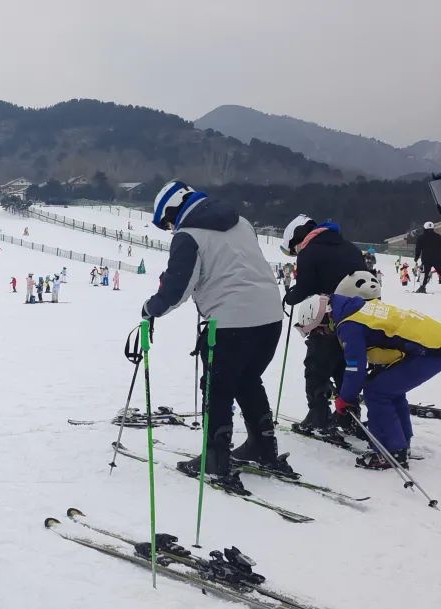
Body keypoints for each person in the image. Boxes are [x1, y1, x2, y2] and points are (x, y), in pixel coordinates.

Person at [143, 180, 290, 487]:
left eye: (168, 221)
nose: (171, 228)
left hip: (231, 323)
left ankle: (215, 457)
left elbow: (176, 289)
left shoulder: (188, 235)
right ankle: (263, 446)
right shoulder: (242, 222)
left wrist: (151, 308)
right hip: (270, 318)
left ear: (175, 209)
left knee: (217, 388)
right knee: (248, 379)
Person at [310, 273, 441, 468]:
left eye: (320, 330)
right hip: (430, 344)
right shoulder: (358, 309)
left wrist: (344, 399)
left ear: (324, 318)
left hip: (429, 351)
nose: (325, 334)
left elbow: (355, 368)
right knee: (388, 389)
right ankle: (401, 443)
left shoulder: (348, 325)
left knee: (377, 391)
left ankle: (391, 451)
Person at [280, 213, 367, 433]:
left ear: (298, 237)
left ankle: (318, 416)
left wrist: (289, 297)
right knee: (343, 366)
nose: (296, 252)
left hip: (328, 319)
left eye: (294, 248)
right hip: (357, 319)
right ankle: (348, 414)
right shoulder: (350, 247)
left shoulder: (310, 251)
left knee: (316, 367)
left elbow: (305, 288)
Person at [414, 221, 441, 293]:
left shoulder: (421, 237)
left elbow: (418, 249)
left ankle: (422, 288)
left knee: (425, 274)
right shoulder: (438, 237)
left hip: (426, 259)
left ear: (424, 228)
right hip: (437, 259)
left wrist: (416, 258)